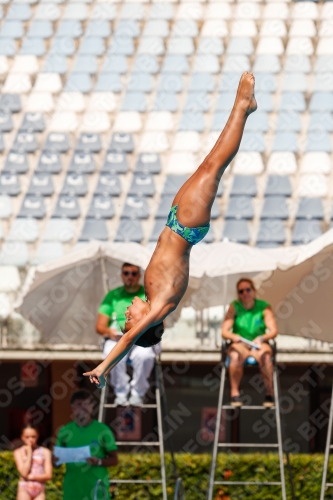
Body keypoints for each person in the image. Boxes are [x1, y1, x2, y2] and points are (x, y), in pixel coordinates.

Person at [84, 72, 257, 389]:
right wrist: (103, 367)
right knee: (215, 164)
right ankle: (243, 105)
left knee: (210, 162)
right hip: (187, 226)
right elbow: (127, 344)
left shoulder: (152, 296)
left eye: (124, 319)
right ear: (143, 325)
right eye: (129, 321)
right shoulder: (161, 305)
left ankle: (242, 107)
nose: (125, 315)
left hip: (176, 220)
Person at [96, 262, 159, 406]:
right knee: (109, 353)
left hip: (141, 338)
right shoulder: (112, 295)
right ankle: (121, 392)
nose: (129, 277)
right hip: (117, 339)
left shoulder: (148, 294)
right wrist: (109, 332)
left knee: (145, 355)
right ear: (121, 275)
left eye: (133, 273)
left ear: (139, 276)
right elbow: (100, 326)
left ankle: (138, 392)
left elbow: (159, 322)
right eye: (126, 273)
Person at [221, 278, 278, 408]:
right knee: (234, 356)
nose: (245, 293)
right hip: (241, 344)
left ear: (254, 290)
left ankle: (269, 392)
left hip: (258, 344)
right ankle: (235, 393)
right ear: (238, 294)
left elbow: (274, 331)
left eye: (248, 289)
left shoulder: (263, 307)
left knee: (266, 357)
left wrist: (262, 338)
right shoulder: (234, 307)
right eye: (241, 291)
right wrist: (234, 336)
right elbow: (224, 331)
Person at [54, 389, 118, 500]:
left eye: (86, 404)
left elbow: (114, 459)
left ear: (92, 407)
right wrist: (54, 460)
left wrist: (98, 461)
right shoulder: (65, 431)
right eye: (79, 404)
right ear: (73, 408)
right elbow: (56, 463)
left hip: (97, 491)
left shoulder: (103, 430)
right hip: (72, 492)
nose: (83, 407)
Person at [14, 424, 52, 500]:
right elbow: (24, 473)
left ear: (37, 436)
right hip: (24, 489)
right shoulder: (18, 452)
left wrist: (33, 477)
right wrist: (29, 454)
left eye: (33, 436)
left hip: (39, 490)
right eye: (27, 437)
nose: (30, 439)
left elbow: (48, 475)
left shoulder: (45, 452)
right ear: (22, 437)